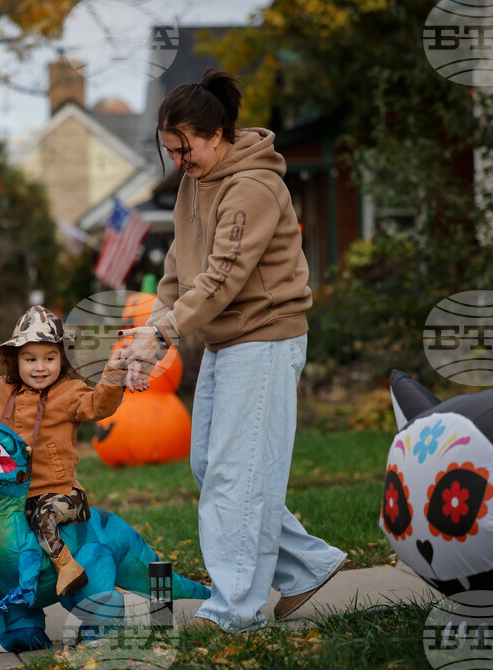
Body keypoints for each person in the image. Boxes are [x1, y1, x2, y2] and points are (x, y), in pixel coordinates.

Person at [118, 69, 347, 632]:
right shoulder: (197, 182)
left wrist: (165, 333)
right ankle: (306, 566)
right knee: (214, 468)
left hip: (266, 337)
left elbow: (222, 278)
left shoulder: (254, 188)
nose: (179, 160)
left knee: (234, 476)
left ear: (217, 133)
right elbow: (180, 264)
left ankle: (237, 611)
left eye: (186, 148)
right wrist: (151, 335)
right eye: (170, 150)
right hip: (226, 339)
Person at [0, 305, 126, 652]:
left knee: (42, 517)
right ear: (14, 361)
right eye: (30, 359)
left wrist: (112, 377)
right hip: (14, 496)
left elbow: (99, 405)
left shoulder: (70, 393)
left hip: (61, 495)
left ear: (61, 361)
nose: (39, 367)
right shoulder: (1, 387)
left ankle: (72, 574)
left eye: (49, 358)